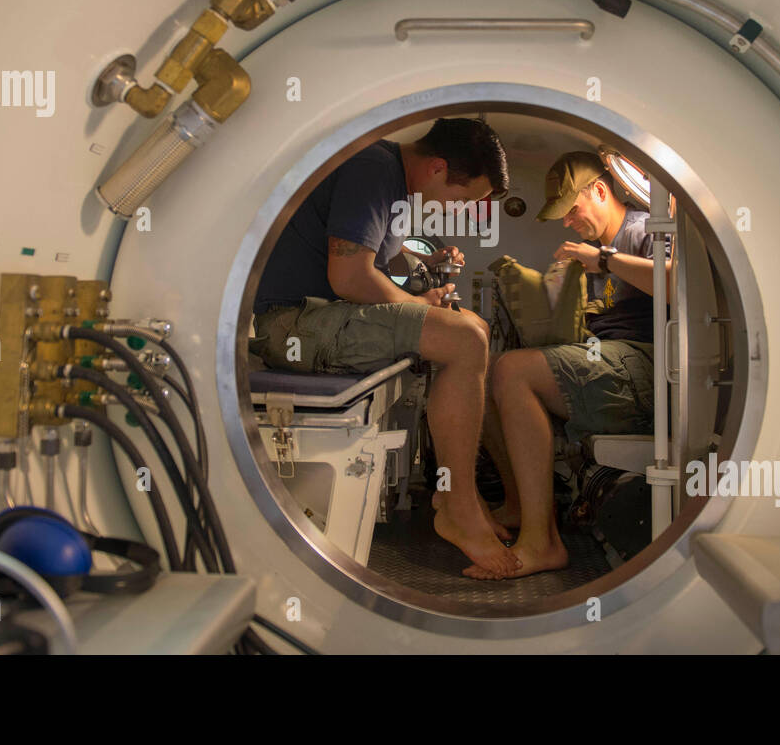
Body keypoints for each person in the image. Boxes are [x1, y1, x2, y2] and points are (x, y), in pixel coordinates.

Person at [249, 117, 521, 576]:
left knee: (474, 329)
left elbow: (374, 253)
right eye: (464, 198)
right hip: (291, 326)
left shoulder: (390, 180)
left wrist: (424, 264)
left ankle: (466, 495)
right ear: (437, 168)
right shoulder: (373, 167)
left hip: (317, 318)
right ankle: (458, 508)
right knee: (464, 339)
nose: (459, 211)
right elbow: (351, 275)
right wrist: (418, 304)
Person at [469, 151, 664, 580]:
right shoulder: (594, 251)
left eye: (571, 210)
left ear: (599, 191)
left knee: (513, 372)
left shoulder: (644, 228)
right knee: (482, 373)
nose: (567, 222)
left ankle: (543, 543)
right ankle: (521, 505)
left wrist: (603, 261)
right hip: (605, 357)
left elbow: (677, 283)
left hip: (647, 368)